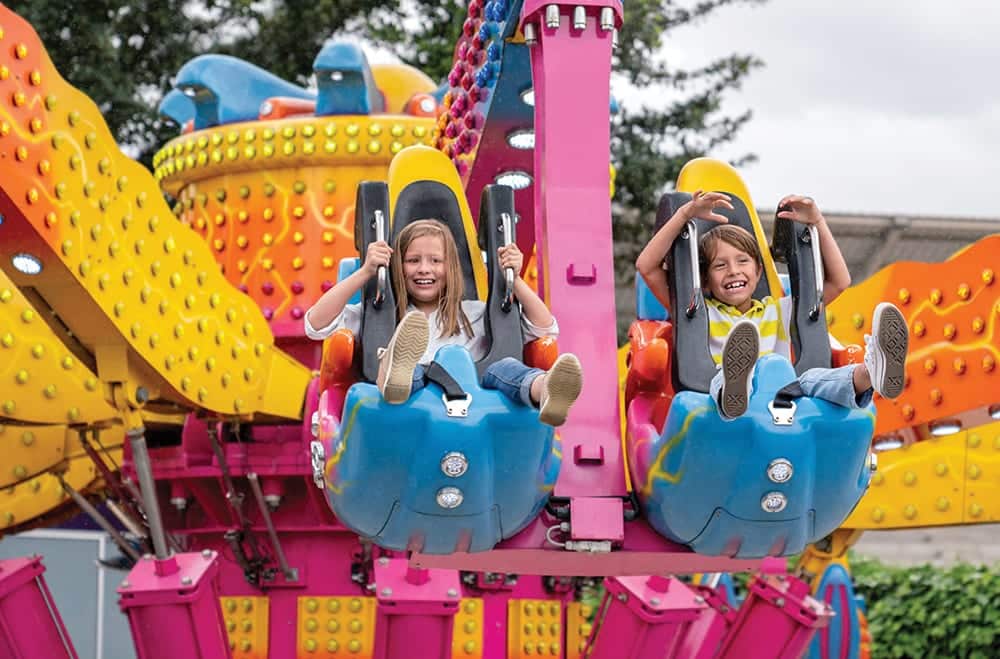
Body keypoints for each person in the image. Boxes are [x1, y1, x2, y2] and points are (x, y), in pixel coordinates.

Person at [636, 191, 909, 419]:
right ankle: (735, 386)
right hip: (721, 399)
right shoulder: (697, 312)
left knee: (816, 379)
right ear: (705, 281)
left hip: (785, 393)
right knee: (721, 376)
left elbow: (840, 281)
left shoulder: (779, 310)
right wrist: (684, 215)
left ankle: (871, 372)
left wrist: (818, 222)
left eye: (743, 262)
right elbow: (646, 267)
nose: (733, 270)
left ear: (758, 272)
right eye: (720, 265)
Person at [305, 219, 583, 427]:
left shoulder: (476, 313)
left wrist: (515, 279)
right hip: (411, 402)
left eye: (435, 261)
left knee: (506, 368)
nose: (424, 268)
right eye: (413, 260)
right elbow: (315, 325)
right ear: (397, 267)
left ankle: (546, 390)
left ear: (450, 269)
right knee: (408, 368)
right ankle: (393, 374)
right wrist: (365, 272)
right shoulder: (380, 316)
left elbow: (545, 328)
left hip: (474, 398)